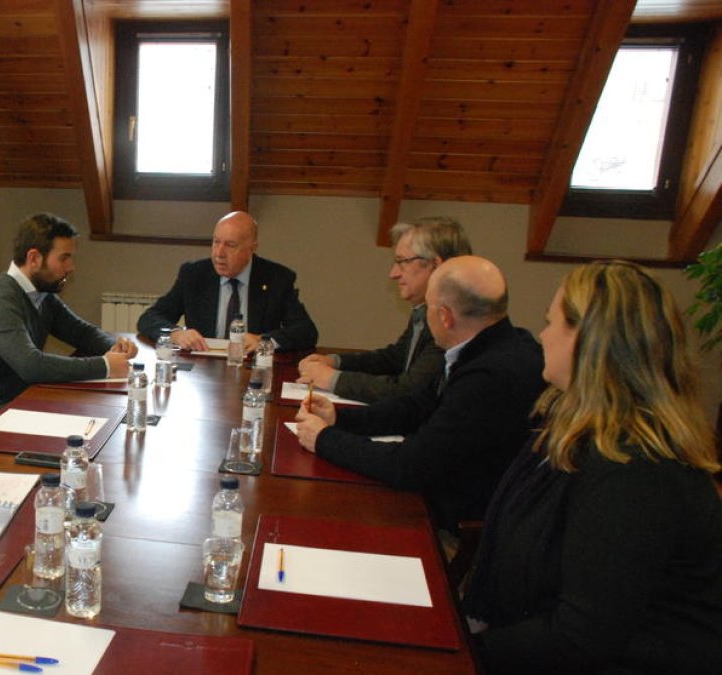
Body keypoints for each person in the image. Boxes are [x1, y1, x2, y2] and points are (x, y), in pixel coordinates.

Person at [463, 261, 722, 674]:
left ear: (590, 341)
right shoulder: (575, 430)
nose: (543, 335)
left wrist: (462, 653)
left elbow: (581, 638)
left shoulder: (635, 469)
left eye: (553, 323)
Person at [294, 256, 544, 532]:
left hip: (451, 520)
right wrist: (339, 419)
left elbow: (411, 465)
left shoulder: (490, 376)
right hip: (435, 492)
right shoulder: (491, 345)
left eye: (428, 307)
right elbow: (416, 406)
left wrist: (324, 439)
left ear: (445, 316)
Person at [0, 213, 136, 421]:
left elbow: (82, 333)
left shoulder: (41, 294)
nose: (71, 267)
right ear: (34, 259)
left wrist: (115, 346)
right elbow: (31, 365)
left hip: (23, 401)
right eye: (64, 258)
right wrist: (105, 366)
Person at [297, 217, 471, 403]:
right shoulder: (425, 309)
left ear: (435, 265)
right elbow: (394, 358)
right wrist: (334, 362)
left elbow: (408, 392)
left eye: (402, 261)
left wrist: (330, 378)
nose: (393, 273)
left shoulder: (452, 320)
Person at [136, 211, 318, 353]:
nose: (219, 253)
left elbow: (306, 331)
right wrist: (176, 334)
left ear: (251, 249)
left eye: (230, 245)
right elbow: (149, 318)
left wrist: (263, 340)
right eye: (216, 242)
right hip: (202, 367)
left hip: (250, 369)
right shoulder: (194, 274)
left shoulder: (277, 278)